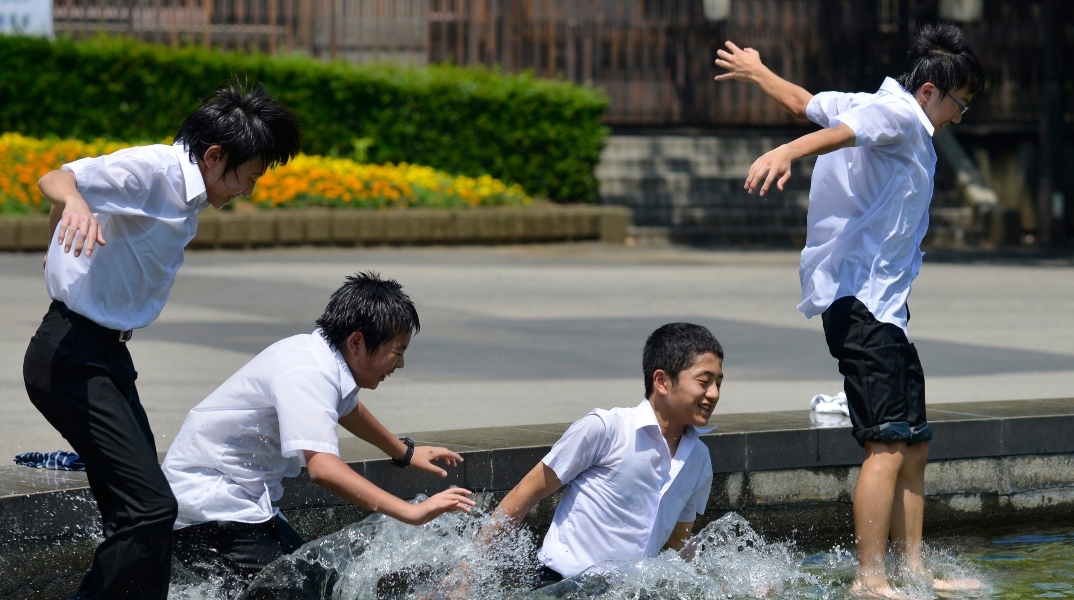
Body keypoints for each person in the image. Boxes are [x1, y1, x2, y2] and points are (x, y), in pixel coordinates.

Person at [714, 23, 985, 599]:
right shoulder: (898, 116)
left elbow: (802, 103)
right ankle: (870, 578)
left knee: (914, 442)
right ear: (931, 90)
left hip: (885, 309)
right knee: (886, 443)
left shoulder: (873, 103)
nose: (960, 117)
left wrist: (758, 71)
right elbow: (837, 133)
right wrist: (786, 152)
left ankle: (912, 570)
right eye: (960, 104)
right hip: (861, 304)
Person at [23, 81, 301, 599]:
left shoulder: (189, 192)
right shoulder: (155, 170)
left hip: (106, 355)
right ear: (215, 156)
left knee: (145, 516)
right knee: (151, 510)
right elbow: (57, 177)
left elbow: (82, 192)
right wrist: (73, 210)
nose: (247, 191)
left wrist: (60, 237)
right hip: (70, 356)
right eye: (247, 177)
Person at [162, 272, 475, 594]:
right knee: (297, 592)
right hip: (208, 508)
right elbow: (323, 469)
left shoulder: (320, 357)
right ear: (356, 342)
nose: (401, 364)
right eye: (397, 351)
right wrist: (411, 512)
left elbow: (347, 407)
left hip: (242, 503)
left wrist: (405, 452)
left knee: (320, 586)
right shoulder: (306, 373)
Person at [445, 322, 721, 591]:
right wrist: (468, 574)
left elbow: (678, 544)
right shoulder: (605, 429)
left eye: (719, 383)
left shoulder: (699, 458)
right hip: (558, 585)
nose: (714, 394)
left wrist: (719, 585)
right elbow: (525, 493)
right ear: (661, 381)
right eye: (704, 382)